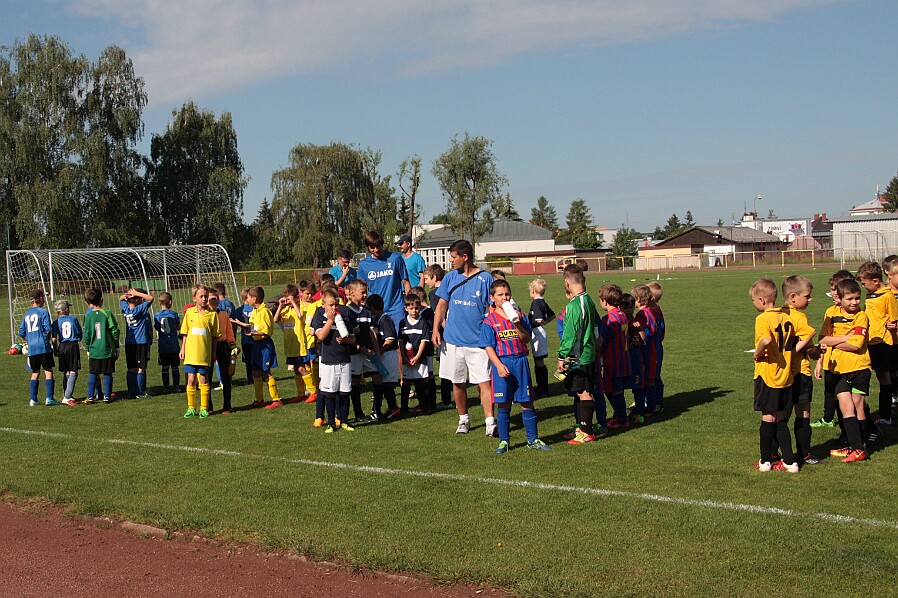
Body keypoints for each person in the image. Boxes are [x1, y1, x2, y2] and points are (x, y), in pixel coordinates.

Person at [432, 239, 496, 436]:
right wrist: (435, 329)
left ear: (465, 257)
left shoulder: (486, 279)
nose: (450, 261)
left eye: (453, 257)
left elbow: (493, 308)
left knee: (483, 382)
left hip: (478, 342)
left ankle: (490, 422)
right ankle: (464, 420)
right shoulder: (450, 278)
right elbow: (442, 305)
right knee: (457, 382)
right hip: (452, 341)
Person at [480, 279, 550, 453]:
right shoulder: (489, 321)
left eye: (507, 294)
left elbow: (526, 339)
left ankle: (532, 439)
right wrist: (498, 365)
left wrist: (516, 322)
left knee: (527, 402)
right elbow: (488, 347)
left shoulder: (521, 315)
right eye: (500, 295)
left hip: (520, 362)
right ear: (492, 297)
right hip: (503, 363)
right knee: (503, 404)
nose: (504, 298)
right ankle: (504, 441)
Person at [750, 278, 810, 472]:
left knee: (768, 418)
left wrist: (758, 354)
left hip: (768, 374)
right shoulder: (786, 316)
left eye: (753, 300)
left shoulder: (762, 319)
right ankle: (790, 461)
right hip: (786, 375)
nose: (753, 304)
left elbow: (766, 340)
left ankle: (765, 460)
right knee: (782, 419)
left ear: (761, 300)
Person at [817, 278, 872, 463]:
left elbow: (856, 345)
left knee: (857, 408)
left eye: (857, 298)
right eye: (849, 299)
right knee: (845, 406)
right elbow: (823, 339)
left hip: (859, 367)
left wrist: (834, 341)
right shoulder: (831, 314)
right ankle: (855, 447)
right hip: (839, 369)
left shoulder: (861, 316)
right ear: (839, 299)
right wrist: (844, 337)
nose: (854, 302)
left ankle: (861, 445)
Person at [779, 275, 823, 465]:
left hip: (781, 372)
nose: (810, 299)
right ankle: (804, 454)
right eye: (807, 296)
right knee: (803, 413)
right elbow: (808, 348)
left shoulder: (777, 314)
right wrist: (817, 351)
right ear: (793, 297)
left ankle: (773, 453)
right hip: (800, 370)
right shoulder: (800, 317)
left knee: (782, 414)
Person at [557, 265, 599, 445]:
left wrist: (561, 356)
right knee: (580, 390)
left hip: (579, 355)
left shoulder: (574, 305)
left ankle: (587, 432)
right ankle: (581, 428)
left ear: (567, 283)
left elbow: (570, 334)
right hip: (586, 353)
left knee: (583, 391)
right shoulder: (588, 300)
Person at [856, 261, 898, 433]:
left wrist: (893, 327)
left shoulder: (887, 296)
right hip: (870, 342)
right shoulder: (872, 295)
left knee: (884, 379)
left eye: (864, 283)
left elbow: (894, 318)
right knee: (881, 377)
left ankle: (886, 416)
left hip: (882, 343)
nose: (864, 287)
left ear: (875, 280)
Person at [312, 288, 357, 432]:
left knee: (344, 393)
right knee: (330, 394)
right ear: (323, 304)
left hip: (344, 359)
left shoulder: (344, 317)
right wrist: (330, 320)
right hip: (328, 361)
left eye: (336, 304)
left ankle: (344, 421)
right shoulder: (320, 317)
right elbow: (321, 337)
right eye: (331, 305)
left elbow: (353, 338)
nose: (334, 308)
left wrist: (346, 339)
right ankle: (331, 423)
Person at [179, 285, 221, 418]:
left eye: (206, 297)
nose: (204, 299)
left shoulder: (212, 314)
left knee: (203, 378)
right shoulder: (189, 313)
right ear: (194, 298)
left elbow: (215, 337)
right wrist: (183, 348)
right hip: (191, 353)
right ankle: (191, 408)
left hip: (204, 354)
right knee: (191, 380)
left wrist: (214, 352)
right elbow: (185, 333)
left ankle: (204, 408)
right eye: (201, 296)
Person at [357, 230, 410, 329]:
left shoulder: (395, 258)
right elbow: (360, 290)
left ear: (382, 244)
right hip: (375, 311)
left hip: (396, 309)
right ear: (368, 247)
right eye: (372, 248)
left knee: (400, 341)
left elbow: (406, 283)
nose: (376, 250)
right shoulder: (363, 265)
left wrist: (409, 304)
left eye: (378, 246)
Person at [240, 286, 282, 408]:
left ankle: (276, 399)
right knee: (255, 371)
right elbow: (254, 327)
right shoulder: (255, 311)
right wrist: (243, 325)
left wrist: (252, 333)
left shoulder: (265, 311)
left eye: (248, 297)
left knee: (266, 371)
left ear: (254, 298)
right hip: (256, 344)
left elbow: (267, 331)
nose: (247, 300)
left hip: (265, 345)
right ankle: (260, 400)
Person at [597, 284, 631, 430]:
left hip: (614, 359)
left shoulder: (609, 319)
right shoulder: (623, 315)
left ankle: (622, 419)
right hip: (624, 357)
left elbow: (603, 341)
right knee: (614, 389)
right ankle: (619, 415)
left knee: (613, 390)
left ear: (605, 301)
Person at [346, 278, 377, 422]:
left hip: (369, 352)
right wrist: (358, 348)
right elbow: (347, 336)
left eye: (366, 292)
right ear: (352, 293)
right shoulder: (347, 312)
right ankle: (358, 414)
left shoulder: (367, 311)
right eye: (362, 292)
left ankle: (376, 410)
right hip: (355, 353)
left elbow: (371, 332)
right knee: (355, 383)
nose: (365, 295)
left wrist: (376, 349)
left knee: (378, 377)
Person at [20, 289, 58, 407]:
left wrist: (29, 339)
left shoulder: (26, 314)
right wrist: (46, 338)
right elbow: (48, 329)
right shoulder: (43, 312)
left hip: (32, 348)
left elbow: (21, 332)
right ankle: (49, 398)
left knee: (35, 372)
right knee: (48, 370)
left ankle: (33, 399)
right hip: (43, 346)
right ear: (41, 298)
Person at [273, 284, 309, 406]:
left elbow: (300, 316)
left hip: (299, 345)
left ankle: (313, 391)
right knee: (296, 370)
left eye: (289, 298)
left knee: (301, 368)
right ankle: (301, 393)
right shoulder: (285, 310)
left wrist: (294, 303)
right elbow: (275, 320)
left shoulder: (300, 308)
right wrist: (280, 306)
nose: (287, 301)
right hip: (290, 345)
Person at [423, 264, 453, 408]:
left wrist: (446, 331)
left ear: (434, 277)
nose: (426, 282)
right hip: (455, 330)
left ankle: (446, 400)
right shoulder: (449, 288)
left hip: (445, 334)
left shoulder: (435, 293)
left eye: (427, 279)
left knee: (445, 367)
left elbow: (439, 315)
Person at [83, 288, 120, 405]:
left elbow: (87, 334)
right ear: (102, 299)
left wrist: (88, 347)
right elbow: (115, 330)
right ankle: (107, 396)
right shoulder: (107, 313)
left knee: (93, 373)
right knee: (108, 373)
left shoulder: (88, 316)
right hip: (106, 349)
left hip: (94, 350)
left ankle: (90, 397)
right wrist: (116, 345)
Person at [366, 293, 400, 421]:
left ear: (373, 308)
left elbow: (390, 339)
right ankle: (380, 409)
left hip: (389, 355)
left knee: (388, 383)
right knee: (382, 382)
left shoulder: (385, 319)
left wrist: (379, 350)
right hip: (383, 355)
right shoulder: (377, 319)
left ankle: (394, 408)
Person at [399, 294, 434, 413]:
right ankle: (404, 408)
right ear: (406, 308)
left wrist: (417, 356)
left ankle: (424, 406)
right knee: (406, 383)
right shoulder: (402, 323)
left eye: (416, 308)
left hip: (420, 358)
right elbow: (401, 342)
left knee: (421, 383)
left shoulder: (423, 322)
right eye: (411, 308)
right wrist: (404, 357)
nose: (414, 311)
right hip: (407, 359)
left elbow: (424, 341)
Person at [119, 287, 154, 399]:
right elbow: (151, 298)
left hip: (129, 342)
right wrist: (136, 293)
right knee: (140, 368)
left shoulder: (125, 309)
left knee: (131, 368)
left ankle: (131, 391)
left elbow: (120, 299)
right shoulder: (139, 309)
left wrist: (126, 296)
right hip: (140, 342)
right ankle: (140, 392)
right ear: (138, 299)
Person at [632, 285, 659, 418]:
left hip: (647, 350)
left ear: (637, 299)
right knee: (650, 379)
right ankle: (650, 406)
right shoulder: (650, 311)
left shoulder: (641, 315)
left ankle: (647, 407)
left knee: (646, 379)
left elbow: (646, 334)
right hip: (654, 347)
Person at [209, 289, 238, 414]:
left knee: (226, 376)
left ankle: (227, 405)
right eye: (211, 298)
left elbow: (229, 333)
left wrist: (232, 345)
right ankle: (208, 406)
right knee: (207, 377)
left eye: (216, 298)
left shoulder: (224, 315)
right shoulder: (204, 315)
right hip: (208, 346)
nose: (214, 301)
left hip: (222, 346)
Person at [528, 278, 555, 398]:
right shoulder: (542, 301)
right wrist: (545, 322)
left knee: (538, 361)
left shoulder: (536, 303)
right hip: (540, 331)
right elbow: (552, 315)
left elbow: (539, 319)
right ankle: (543, 387)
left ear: (533, 290)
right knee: (539, 360)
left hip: (536, 332)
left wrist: (540, 322)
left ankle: (542, 388)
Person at [52, 299, 81, 406]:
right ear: (66, 309)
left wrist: (55, 350)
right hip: (72, 345)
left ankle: (66, 394)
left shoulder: (56, 322)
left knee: (66, 371)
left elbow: (54, 339)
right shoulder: (73, 319)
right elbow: (79, 333)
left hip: (62, 346)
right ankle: (67, 397)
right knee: (74, 371)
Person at [154, 292, 182, 394]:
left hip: (163, 345)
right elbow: (179, 327)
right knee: (175, 366)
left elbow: (157, 327)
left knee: (165, 367)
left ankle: (166, 387)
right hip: (173, 345)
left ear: (159, 302)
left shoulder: (156, 315)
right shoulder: (173, 314)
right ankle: (176, 386)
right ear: (170, 302)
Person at [297, 280, 320, 403]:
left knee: (314, 362)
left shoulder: (316, 305)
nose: (310, 296)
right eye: (307, 294)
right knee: (305, 364)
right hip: (301, 340)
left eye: (312, 293)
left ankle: (315, 387)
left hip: (313, 339)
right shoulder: (297, 305)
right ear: (301, 292)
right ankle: (309, 388)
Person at [646, 281, 666, 411]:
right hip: (653, 347)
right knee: (649, 375)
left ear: (651, 298)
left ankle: (656, 402)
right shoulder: (652, 312)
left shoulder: (655, 314)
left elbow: (659, 333)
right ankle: (649, 400)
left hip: (654, 348)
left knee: (654, 376)